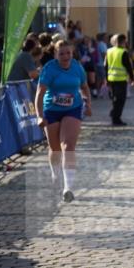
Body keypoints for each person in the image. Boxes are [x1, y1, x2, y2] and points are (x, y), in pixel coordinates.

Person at [34, 39, 91, 202]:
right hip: (51, 110)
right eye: (62, 53)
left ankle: (68, 187)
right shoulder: (49, 69)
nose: (66, 56)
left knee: (68, 146)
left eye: (68, 53)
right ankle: (55, 172)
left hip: (73, 109)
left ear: (72, 53)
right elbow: (39, 93)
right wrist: (39, 115)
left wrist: (87, 103)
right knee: (55, 148)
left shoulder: (77, 67)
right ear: (55, 54)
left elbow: (84, 86)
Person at [106, 33, 134, 127]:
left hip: (111, 79)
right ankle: (116, 118)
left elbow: (105, 65)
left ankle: (114, 114)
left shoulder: (109, 51)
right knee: (120, 100)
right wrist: (133, 79)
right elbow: (129, 67)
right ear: (124, 41)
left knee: (115, 99)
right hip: (120, 79)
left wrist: (105, 79)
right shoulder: (123, 52)